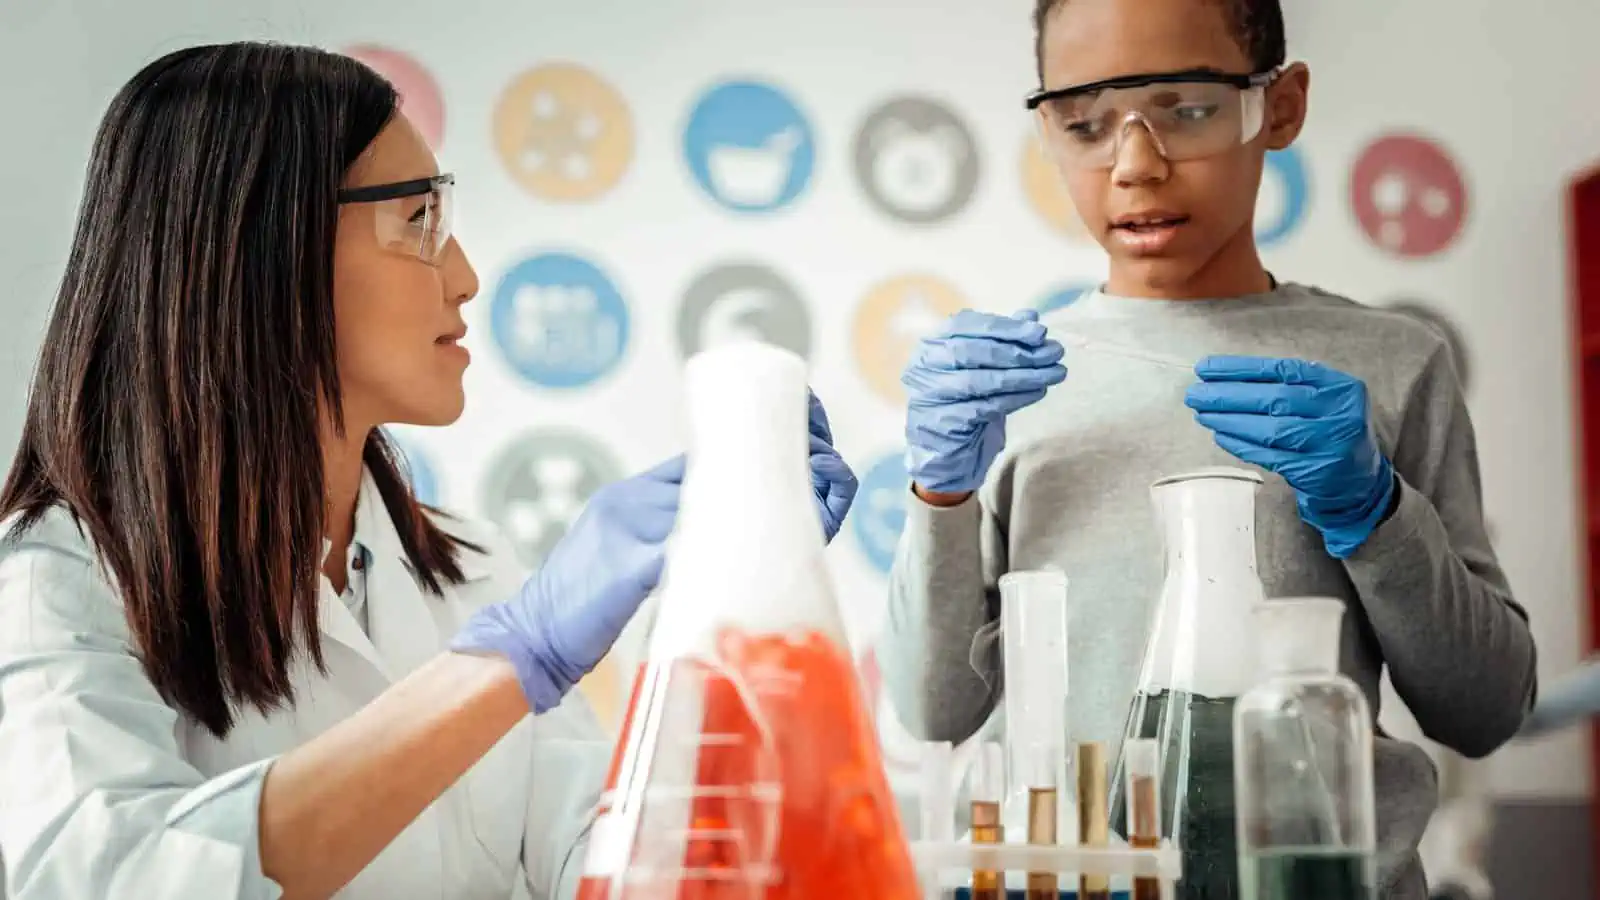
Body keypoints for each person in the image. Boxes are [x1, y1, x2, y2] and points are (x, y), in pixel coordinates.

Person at [0, 42, 859, 900]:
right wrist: (506, 664)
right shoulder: (58, 581)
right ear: (263, 248)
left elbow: (605, 867)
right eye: (419, 222)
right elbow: (109, 877)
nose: (466, 277)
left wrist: (728, 606)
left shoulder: (471, 570)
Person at [876, 1, 1536, 898]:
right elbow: (932, 709)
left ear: (1282, 105)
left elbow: (1485, 709)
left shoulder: (1392, 363)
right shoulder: (1007, 387)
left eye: (1187, 109)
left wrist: (1375, 512)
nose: (1135, 166)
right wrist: (938, 498)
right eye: (1086, 124)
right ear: (1047, 131)